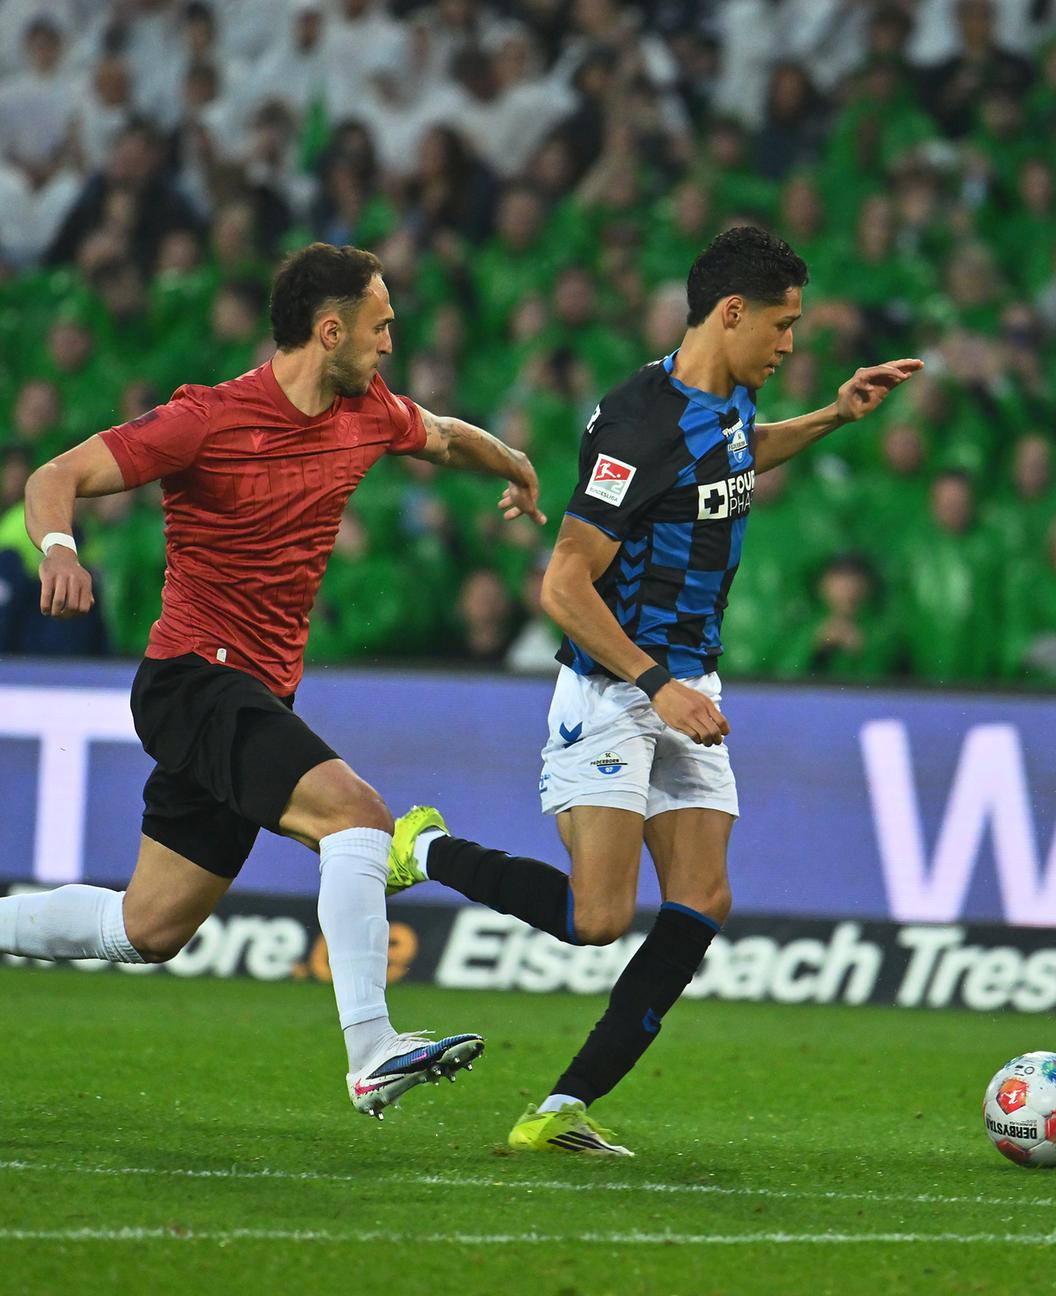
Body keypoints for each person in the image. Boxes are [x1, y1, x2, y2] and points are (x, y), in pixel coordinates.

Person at [384, 226, 921, 1154]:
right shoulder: (640, 422)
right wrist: (657, 683)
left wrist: (835, 416)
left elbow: (741, 457)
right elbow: (563, 582)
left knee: (701, 900)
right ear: (731, 313)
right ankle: (424, 847)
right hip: (614, 683)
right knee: (597, 918)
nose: (792, 345)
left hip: (684, 681)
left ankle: (562, 1108)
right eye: (784, 326)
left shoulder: (726, 409)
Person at [0, 242, 547, 1119]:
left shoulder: (367, 408)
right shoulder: (206, 421)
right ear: (329, 330)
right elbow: (54, 475)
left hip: (256, 694)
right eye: (380, 327)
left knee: (149, 928)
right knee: (358, 816)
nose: (390, 345)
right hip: (193, 679)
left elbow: (444, 438)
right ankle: (372, 1052)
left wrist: (513, 464)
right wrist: (58, 549)